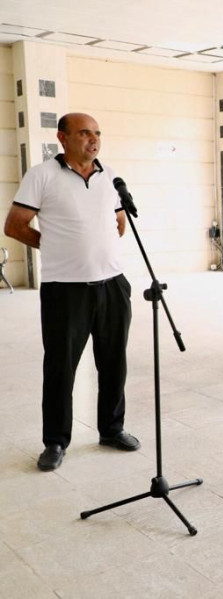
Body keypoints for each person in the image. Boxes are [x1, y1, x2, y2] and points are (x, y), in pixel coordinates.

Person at [3, 113, 141, 472]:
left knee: (114, 362)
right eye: (84, 133)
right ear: (62, 138)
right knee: (61, 368)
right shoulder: (42, 175)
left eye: (97, 133)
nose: (94, 139)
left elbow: (119, 222)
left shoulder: (109, 175)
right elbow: (15, 226)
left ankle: (112, 429)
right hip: (65, 290)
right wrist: (54, 246)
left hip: (112, 285)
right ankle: (55, 441)